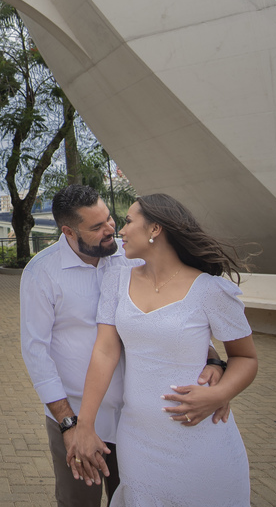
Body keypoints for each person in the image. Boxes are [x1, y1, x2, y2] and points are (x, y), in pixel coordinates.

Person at [20, 185, 228, 507]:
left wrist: (212, 360)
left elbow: (171, 317)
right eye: (96, 226)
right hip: (77, 417)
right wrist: (69, 424)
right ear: (68, 232)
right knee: (79, 502)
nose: (110, 229)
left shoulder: (131, 257)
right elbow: (36, 352)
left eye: (109, 218)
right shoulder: (41, 273)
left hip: (138, 419)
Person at [67, 193, 258, 507]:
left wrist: (219, 394)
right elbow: (104, 352)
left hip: (202, 439)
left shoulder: (210, 290)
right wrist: (84, 425)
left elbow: (245, 357)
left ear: (155, 229)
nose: (120, 229)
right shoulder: (116, 280)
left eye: (129, 221)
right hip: (138, 440)